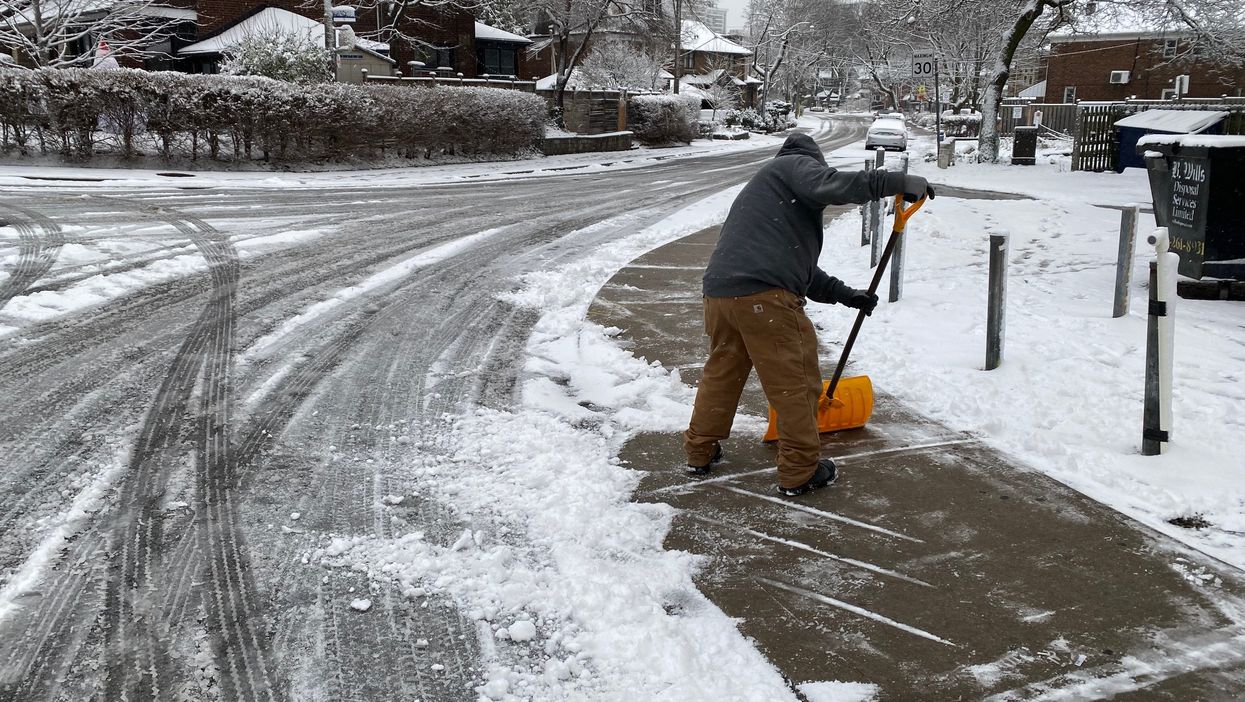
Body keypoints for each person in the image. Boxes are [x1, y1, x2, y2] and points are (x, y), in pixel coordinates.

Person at [682, 132, 934, 497]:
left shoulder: (769, 196)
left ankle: (699, 451)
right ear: (812, 162)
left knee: (722, 374)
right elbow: (831, 186)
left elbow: (799, 270)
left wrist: (848, 296)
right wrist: (894, 181)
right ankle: (799, 470)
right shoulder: (792, 166)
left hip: (721, 295)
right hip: (763, 299)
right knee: (795, 384)